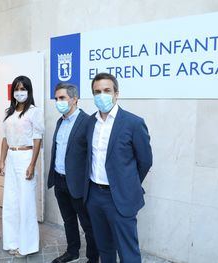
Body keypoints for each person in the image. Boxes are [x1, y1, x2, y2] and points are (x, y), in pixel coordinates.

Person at [84, 73, 153, 263]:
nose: (102, 95)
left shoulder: (133, 123)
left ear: (116, 94)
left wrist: (127, 184)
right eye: (97, 92)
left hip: (120, 198)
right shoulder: (91, 122)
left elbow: (145, 161)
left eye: (107, 90)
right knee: (105, 249)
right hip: (94, 196)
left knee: (128, 252)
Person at [48, 83, 99, 263]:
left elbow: (92, 156)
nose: (58, 102)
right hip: (60, 181)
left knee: (88, 224)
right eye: (56, 98)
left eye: (62, 98)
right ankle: (72, 252)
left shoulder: (87, 122)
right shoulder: (60, 121)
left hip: (78, 185)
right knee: (68, 220)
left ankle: (93, 258)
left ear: (74, 99)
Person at [0, 75, 44, 258]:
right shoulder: (8, 112)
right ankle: (12, 241)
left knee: (26, 203)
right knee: (10, 202)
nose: (20, 92)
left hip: (26, 157)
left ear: (29, 91)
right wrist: (1, 160)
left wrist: (32, 164)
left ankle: (27, 246)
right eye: (17, 89)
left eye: (23, 89)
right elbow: (4, 138)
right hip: (11, 156)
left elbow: (37, 139)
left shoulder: (34, 112)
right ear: (13, 92)